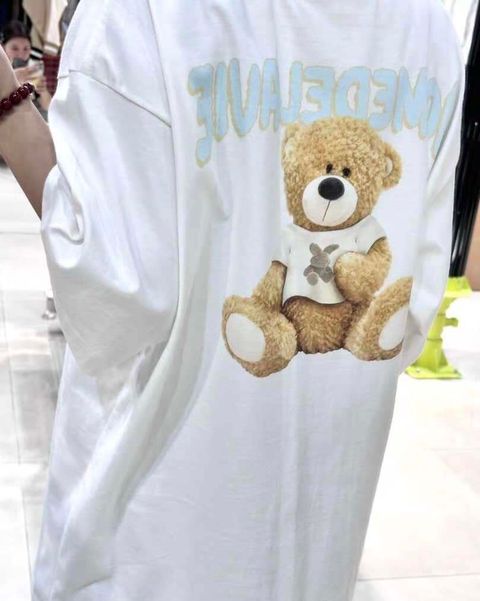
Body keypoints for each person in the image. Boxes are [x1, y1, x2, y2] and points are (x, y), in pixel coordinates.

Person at [0, 1, 464, 600]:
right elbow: (412, 314)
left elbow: (112, 302)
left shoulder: (139, 14)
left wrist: (10, 109)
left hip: (149, 549)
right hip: (318, 546)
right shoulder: (428, 29)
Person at [1, 20, 52, 118]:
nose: (21, 54)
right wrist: (12, 79)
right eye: (15, 48)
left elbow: (48, 107)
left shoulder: (33, 68)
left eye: (26, 49)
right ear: (3, 48)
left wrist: (43, 91)